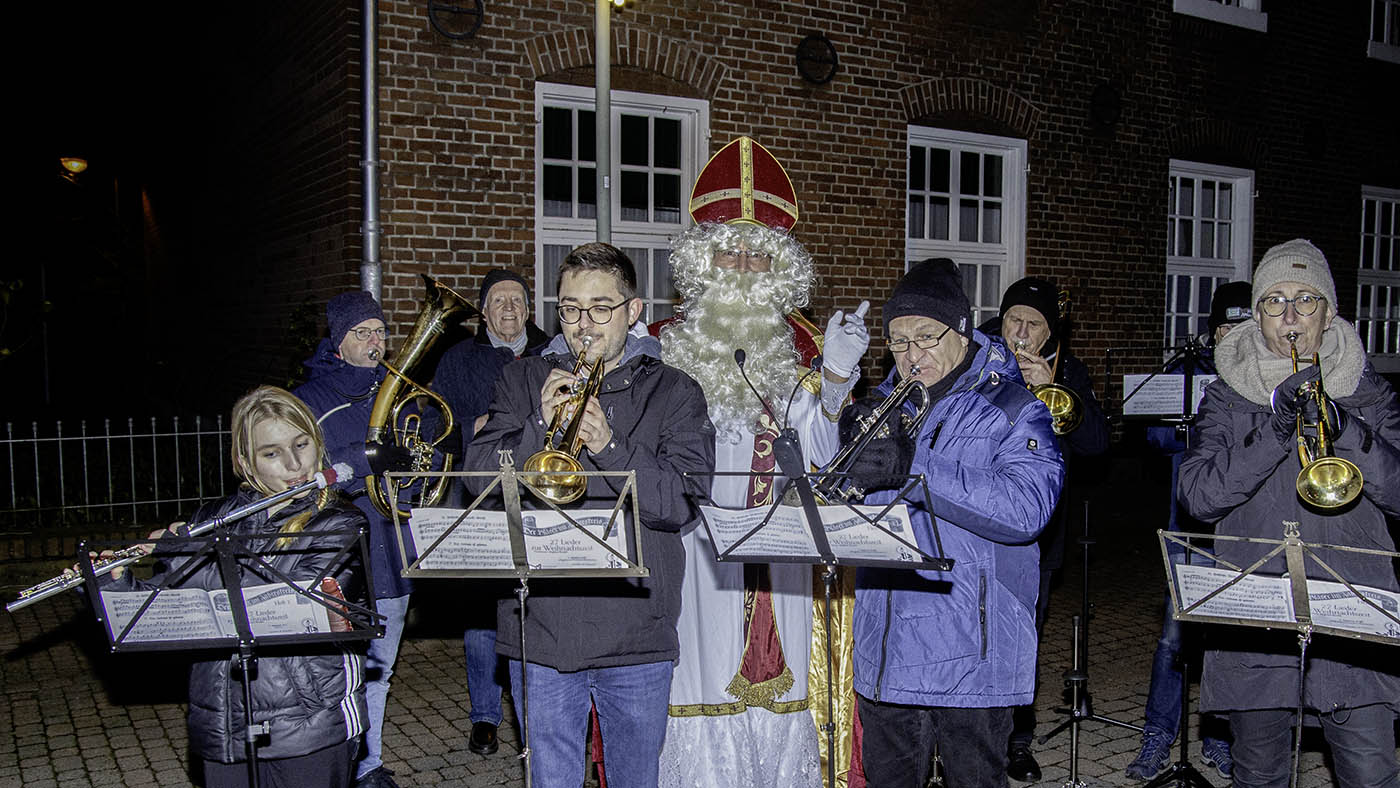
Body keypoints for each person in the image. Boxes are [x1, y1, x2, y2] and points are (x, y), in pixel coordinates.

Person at [653, 136, 869, 788]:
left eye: (758, 254)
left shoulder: (803, 348)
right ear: (705, 260)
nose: (743, 266)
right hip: (693, 554)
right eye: (730, 251)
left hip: (781, 554)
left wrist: (835, 382)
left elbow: (824, 462)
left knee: (783, 695)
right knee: (696, 680)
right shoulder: (664, 345)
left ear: (778, 267)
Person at [462, 242, 715, 788]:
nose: (583, 325)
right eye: (571, 309)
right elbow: (477, 478)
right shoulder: (523, 380)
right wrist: (537, 425)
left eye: (601, 308)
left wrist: (609, 446)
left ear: (633, 310)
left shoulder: (674, 391)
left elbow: (683, 500)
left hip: (638, 633)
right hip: (541, 631)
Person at [1179, 239, 1400, 788]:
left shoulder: (1371, 394)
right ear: (1258, 317)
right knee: (1260, 775)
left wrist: (1349, 431)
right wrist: (1274, 427)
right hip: (1258, 617)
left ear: (1329, 314)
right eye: (1275, 301)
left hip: (1352, 611)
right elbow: (1199, 496)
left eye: (1306, 299)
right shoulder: (1226, 397)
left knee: (1370, 773)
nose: (1291, 315)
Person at [846, 258, 1065, 788]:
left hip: (972, 650)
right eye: (899, 341)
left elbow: (1025, 510)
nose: (911, 354)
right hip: (887, 645)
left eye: (926, 336)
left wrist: (913, 466)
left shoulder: (1014, 407)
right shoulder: (884, 406)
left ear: (962, 333)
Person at [95, 386, 368, 788]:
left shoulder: (339, 522)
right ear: (244, 462)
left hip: (309, 725)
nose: (295, 464)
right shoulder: (213, 518)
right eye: (271, 453)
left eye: (301, 444)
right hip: (224, 723)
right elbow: (170, 608)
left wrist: (187, 555)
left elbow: (283, 601)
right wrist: (114, 583)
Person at [980, 277, 1109, 782]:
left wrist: (1048, 391)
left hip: (1039, 532)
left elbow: (1097, 444)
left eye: (1033, 324)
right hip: (977, 519)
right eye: (1014, 319)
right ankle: (967, 737)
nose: (1021, 332)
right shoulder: (979, 356)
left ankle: (1017, 740)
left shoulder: (1067, 370)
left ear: (1048, 332)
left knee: (1021, 636)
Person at [1125, 281, 1250, 782]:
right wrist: (1191, 420)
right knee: (1174, 638)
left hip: (1243, 533)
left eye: (1243, 327)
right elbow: (1152, 435)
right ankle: (1158, 734)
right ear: (1214, 332)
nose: (1234, 337)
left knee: (1229, 642)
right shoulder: (1188, 372)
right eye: (1226, 328)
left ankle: (1219, 739)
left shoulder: (1264, 378)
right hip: (1189, 529)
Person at [293, 291, 414, 788]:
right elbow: (301, 476)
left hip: (391, 545)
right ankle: (331, 766)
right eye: (361, 333)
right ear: (338, 342)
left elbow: (424, 460)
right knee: (336, 674)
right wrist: (366, 458)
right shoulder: (309, 400)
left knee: (380, 670)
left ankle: (368, 765)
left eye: (379, 331)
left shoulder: (400, 392)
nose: (374, 342)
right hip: (338, 555)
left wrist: (423, 461)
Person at [433, 268, 551, 757]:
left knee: (536, 610)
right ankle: (484, 715)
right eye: (498, 300)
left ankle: (536, 721)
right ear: (483, 312)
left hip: (539, 495)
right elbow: (435, 422)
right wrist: (471, 425)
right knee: (484, 613)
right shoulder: (458, 359)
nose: (509, 308)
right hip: (480, 495)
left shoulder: (552, 353)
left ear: (529, 309)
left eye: (517, 300)